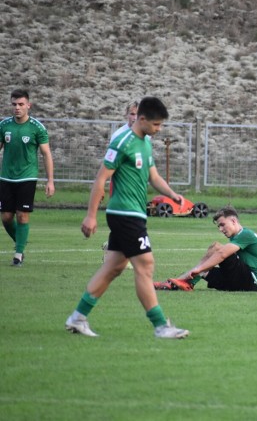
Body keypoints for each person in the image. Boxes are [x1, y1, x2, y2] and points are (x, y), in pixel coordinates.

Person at [65, 96, 189, 339]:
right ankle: (161, 326)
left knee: (113, 267)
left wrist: (173, 195)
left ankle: (78, 317)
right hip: (124, 214)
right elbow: (101, 179)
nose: (159, 129)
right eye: (156, 124)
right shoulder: (122, 142)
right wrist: (91, 216)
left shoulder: (145, 142)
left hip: (134, 214)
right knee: (145, 266)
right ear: (141, 119)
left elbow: (153, 177)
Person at [153, 206, 257, 292]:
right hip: (240, 282)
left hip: (252, 283)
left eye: (222, 224)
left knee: (216, 247)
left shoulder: (245, 234)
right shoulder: (237, 237)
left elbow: (222, 254)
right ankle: (173, 284)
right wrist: (201, 270)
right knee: (205, 271)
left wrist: (199, 269)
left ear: (233, 221)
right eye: (219, 226)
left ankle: (184, 282)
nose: (220, 229)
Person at [0, 89, 55, 266]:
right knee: (6, 218)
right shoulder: (4, 126)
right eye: (14, 104)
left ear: (28, 106)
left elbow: (46, 154)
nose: (17, 108)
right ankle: (20, 242)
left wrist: (50, 181)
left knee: (22, 216)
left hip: (27, 178)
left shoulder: (37, 128)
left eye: (21, 104)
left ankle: (18, 254)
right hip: (6, 178)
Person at [103, 100, 138, 266]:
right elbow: (110, 164)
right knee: (123, 219)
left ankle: (112, 249)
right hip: (119, 185)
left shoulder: (144, 137)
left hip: (136, 187)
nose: (135, 117)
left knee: (129, 221)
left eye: (138, 114)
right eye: (132, 113)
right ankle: (124, 255)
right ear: (127, 115)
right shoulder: (118, 136)